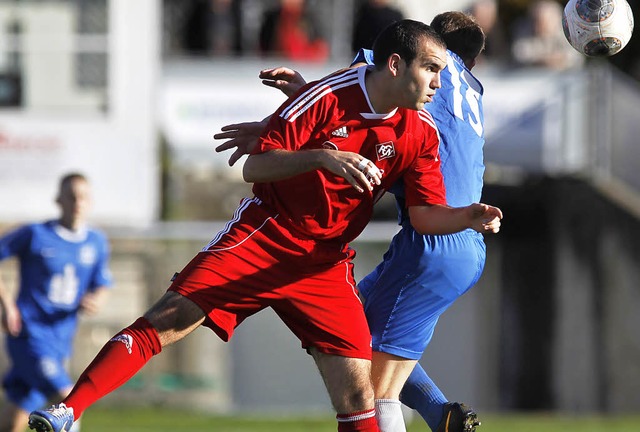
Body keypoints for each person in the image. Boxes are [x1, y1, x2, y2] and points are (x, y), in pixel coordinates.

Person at [29, 19, 502, 432]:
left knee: (359, 395)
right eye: (432, 68)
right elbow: (256, 167)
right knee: (170, 318)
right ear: (396, 65)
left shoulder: (418, 132)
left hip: (324, 263)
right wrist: (322, 157)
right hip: (268, 235)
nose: (440, 80)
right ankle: (69, 412)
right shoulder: (328, 94)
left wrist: (468, 216)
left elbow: (423, 215)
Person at [214, 11, 491, 432]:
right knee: (350, 329)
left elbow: (356, 99)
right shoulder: (470, 93)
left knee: (376, 389)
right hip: (464, 240)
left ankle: (434, 415)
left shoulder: (411, 69)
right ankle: (440, 414)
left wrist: (303, 97)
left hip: (432, 240)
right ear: (474, 60)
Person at [0, 173, 112, 432]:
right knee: (68, 402)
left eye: (82, 197)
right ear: (58, 200)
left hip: (60, 341)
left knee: (12, 421)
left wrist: (97, 299)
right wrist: (7, 305)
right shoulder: (35, 234)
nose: (77, 202)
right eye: (71, 196)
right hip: (29, 336)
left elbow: (103, 283)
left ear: (90, 202)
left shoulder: (95, 242)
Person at [258, 0, 329, 62]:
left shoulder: (310, 19)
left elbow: (320, 47)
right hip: (277, 63)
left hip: (305, 68)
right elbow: (264, 48)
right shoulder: (272, 18)